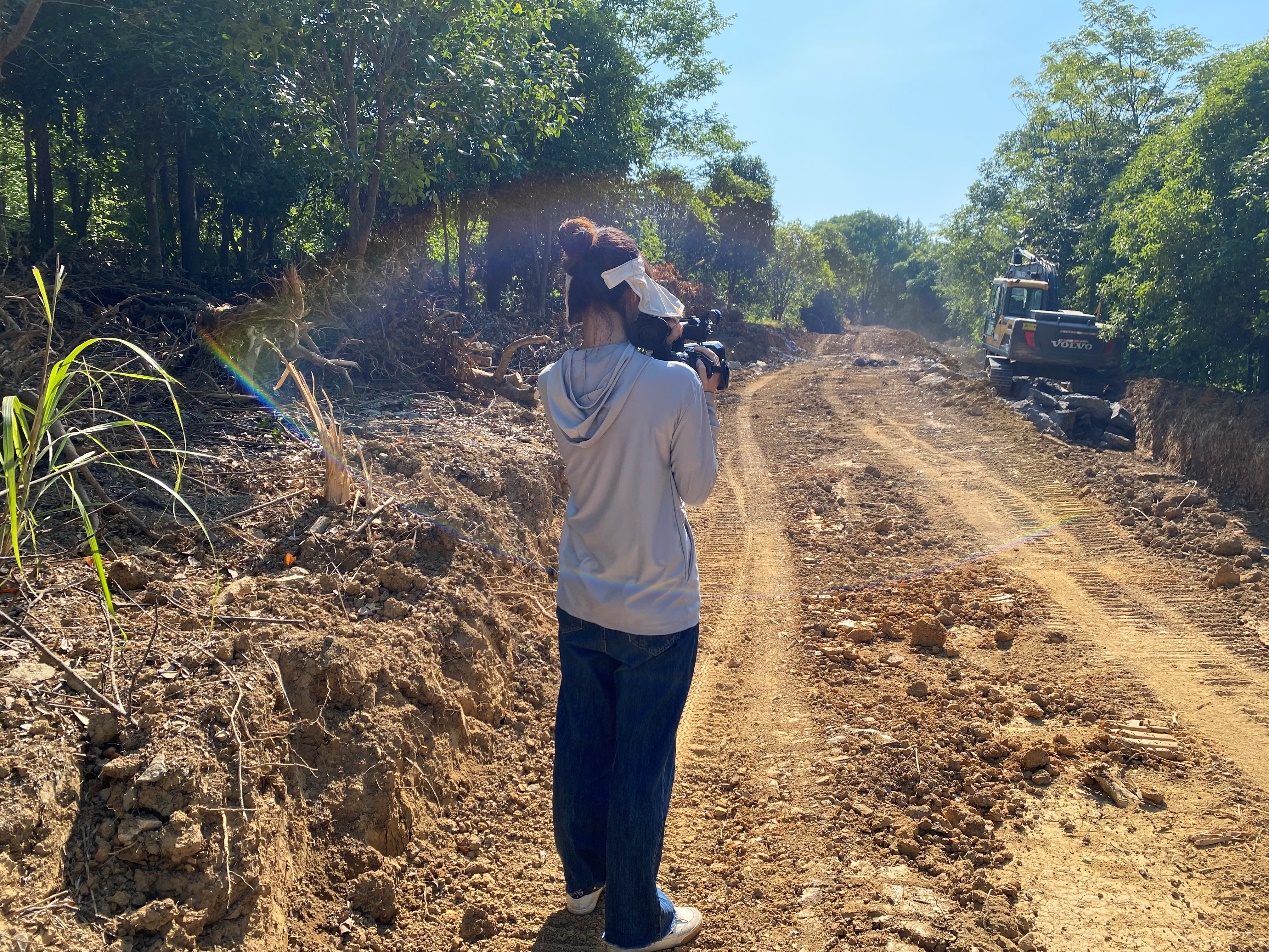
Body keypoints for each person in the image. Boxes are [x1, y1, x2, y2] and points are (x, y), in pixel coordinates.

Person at [537, 217, 721, 952]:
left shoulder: (551, 381)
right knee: (642, 762)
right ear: (627, 295)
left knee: (582, 742)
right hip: (657, 607)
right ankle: (637, 922)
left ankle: (584, 882)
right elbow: (697, 488)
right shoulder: (673, 384)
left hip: (581, 593)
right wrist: (704, 394)